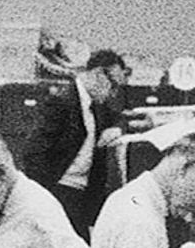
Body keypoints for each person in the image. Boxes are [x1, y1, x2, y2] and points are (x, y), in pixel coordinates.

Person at [20, 47, 129, 229]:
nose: (114, 93)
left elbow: (121, 118)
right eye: (114, 85)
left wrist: (117, 129)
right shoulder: (62, 102)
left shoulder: (97, 106)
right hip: (60, 189)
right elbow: (33, 152)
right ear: (98, 75)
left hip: (84, 192)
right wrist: (44, 197)